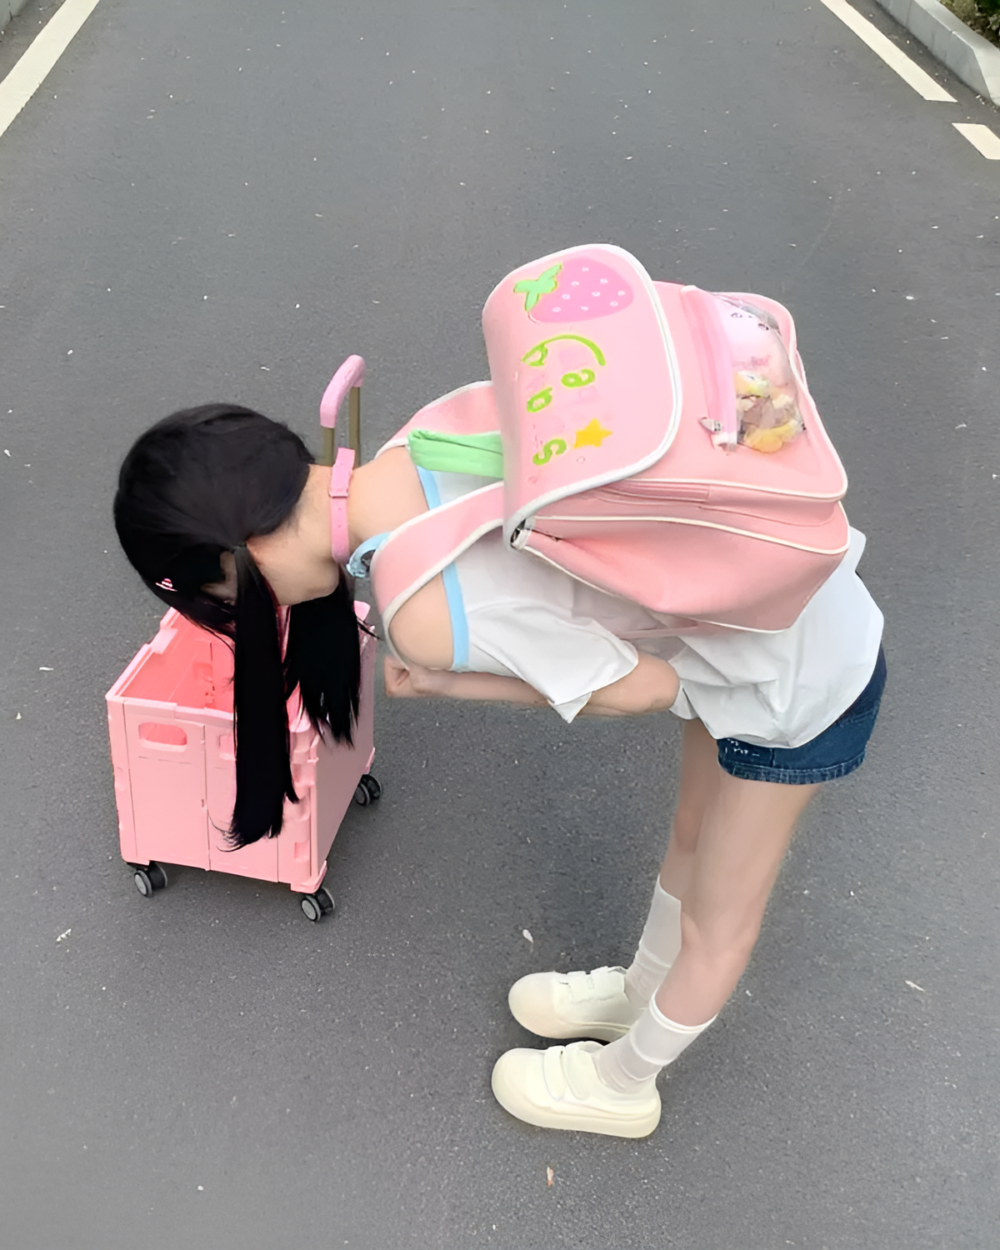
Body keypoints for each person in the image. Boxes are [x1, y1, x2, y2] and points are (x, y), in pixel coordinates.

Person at [114, 399, 885, 1140]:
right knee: (691, 838)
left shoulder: (420, 605)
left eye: (221, 595)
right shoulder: (421, 439)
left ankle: (626, 1086)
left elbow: (650, 687)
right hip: (759, 614)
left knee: (718, 924)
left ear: (239, 557)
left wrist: (454, 679)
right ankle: (639, 993)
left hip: (794, 687)